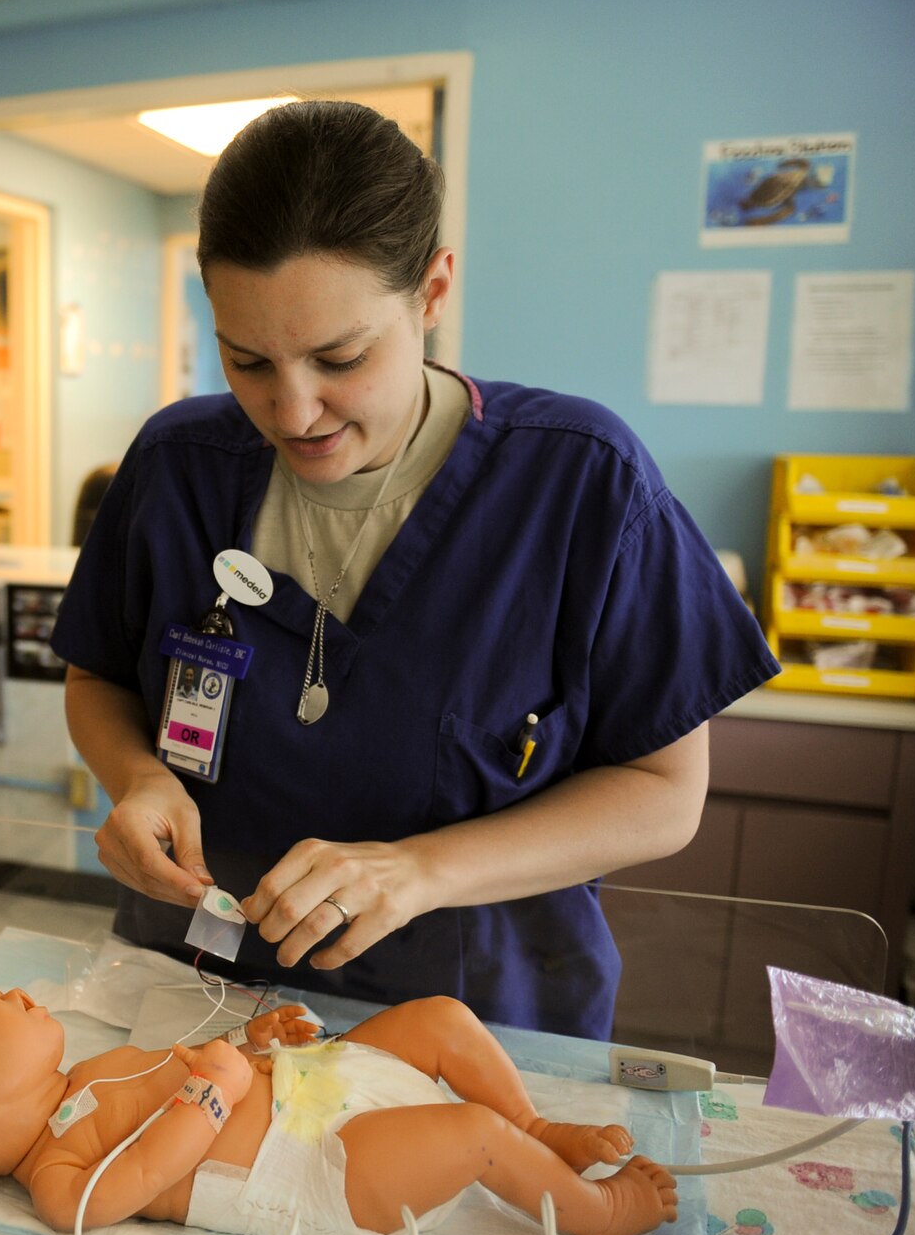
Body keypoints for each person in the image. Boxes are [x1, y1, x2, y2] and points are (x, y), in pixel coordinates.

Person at [50, 100, 778, 1038]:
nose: (293, 409)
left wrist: (424, 870)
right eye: (247, 361)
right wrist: (138, 777)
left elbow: (664, 794)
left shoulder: (579, 481)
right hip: (202, 996)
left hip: (476, 1019)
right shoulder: (177, 464)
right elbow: (96, 676)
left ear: (432, 293)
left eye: (339, 357)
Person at [0, 987, 678, 1235]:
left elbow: (193, 1062)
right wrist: (207, 1098)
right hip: (326, 1170)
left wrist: (246, 1041)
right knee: (469, 1134)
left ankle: (533, 1128)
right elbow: (136, 1178)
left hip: (318, 1083)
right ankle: (595, 1213)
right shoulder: (57, 1180)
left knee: (441, 1019)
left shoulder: (90, 1073)